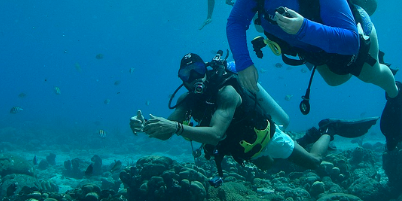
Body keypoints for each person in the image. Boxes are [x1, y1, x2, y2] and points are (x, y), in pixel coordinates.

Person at [225, 0, 402, 151]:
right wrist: (243, 62)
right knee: (334, 80)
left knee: (371, 75)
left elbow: (351, 41)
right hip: (315, 48)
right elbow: (235, 22)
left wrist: (303, 28)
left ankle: (396, 93)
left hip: (358, 37)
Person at [129, 52, 376, 174]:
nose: (194, 78)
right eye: (186, 75)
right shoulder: (188, 100)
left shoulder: (226, 91)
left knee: (313, 163)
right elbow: (166, 132)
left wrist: (177, 127)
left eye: (197, 70)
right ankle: (306, 137)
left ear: (206, 69)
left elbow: (215, 134)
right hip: (246, 149)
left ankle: (327, 129)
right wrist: (145, 127)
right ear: (182, 80)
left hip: (267, 136)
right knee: (278, 168)